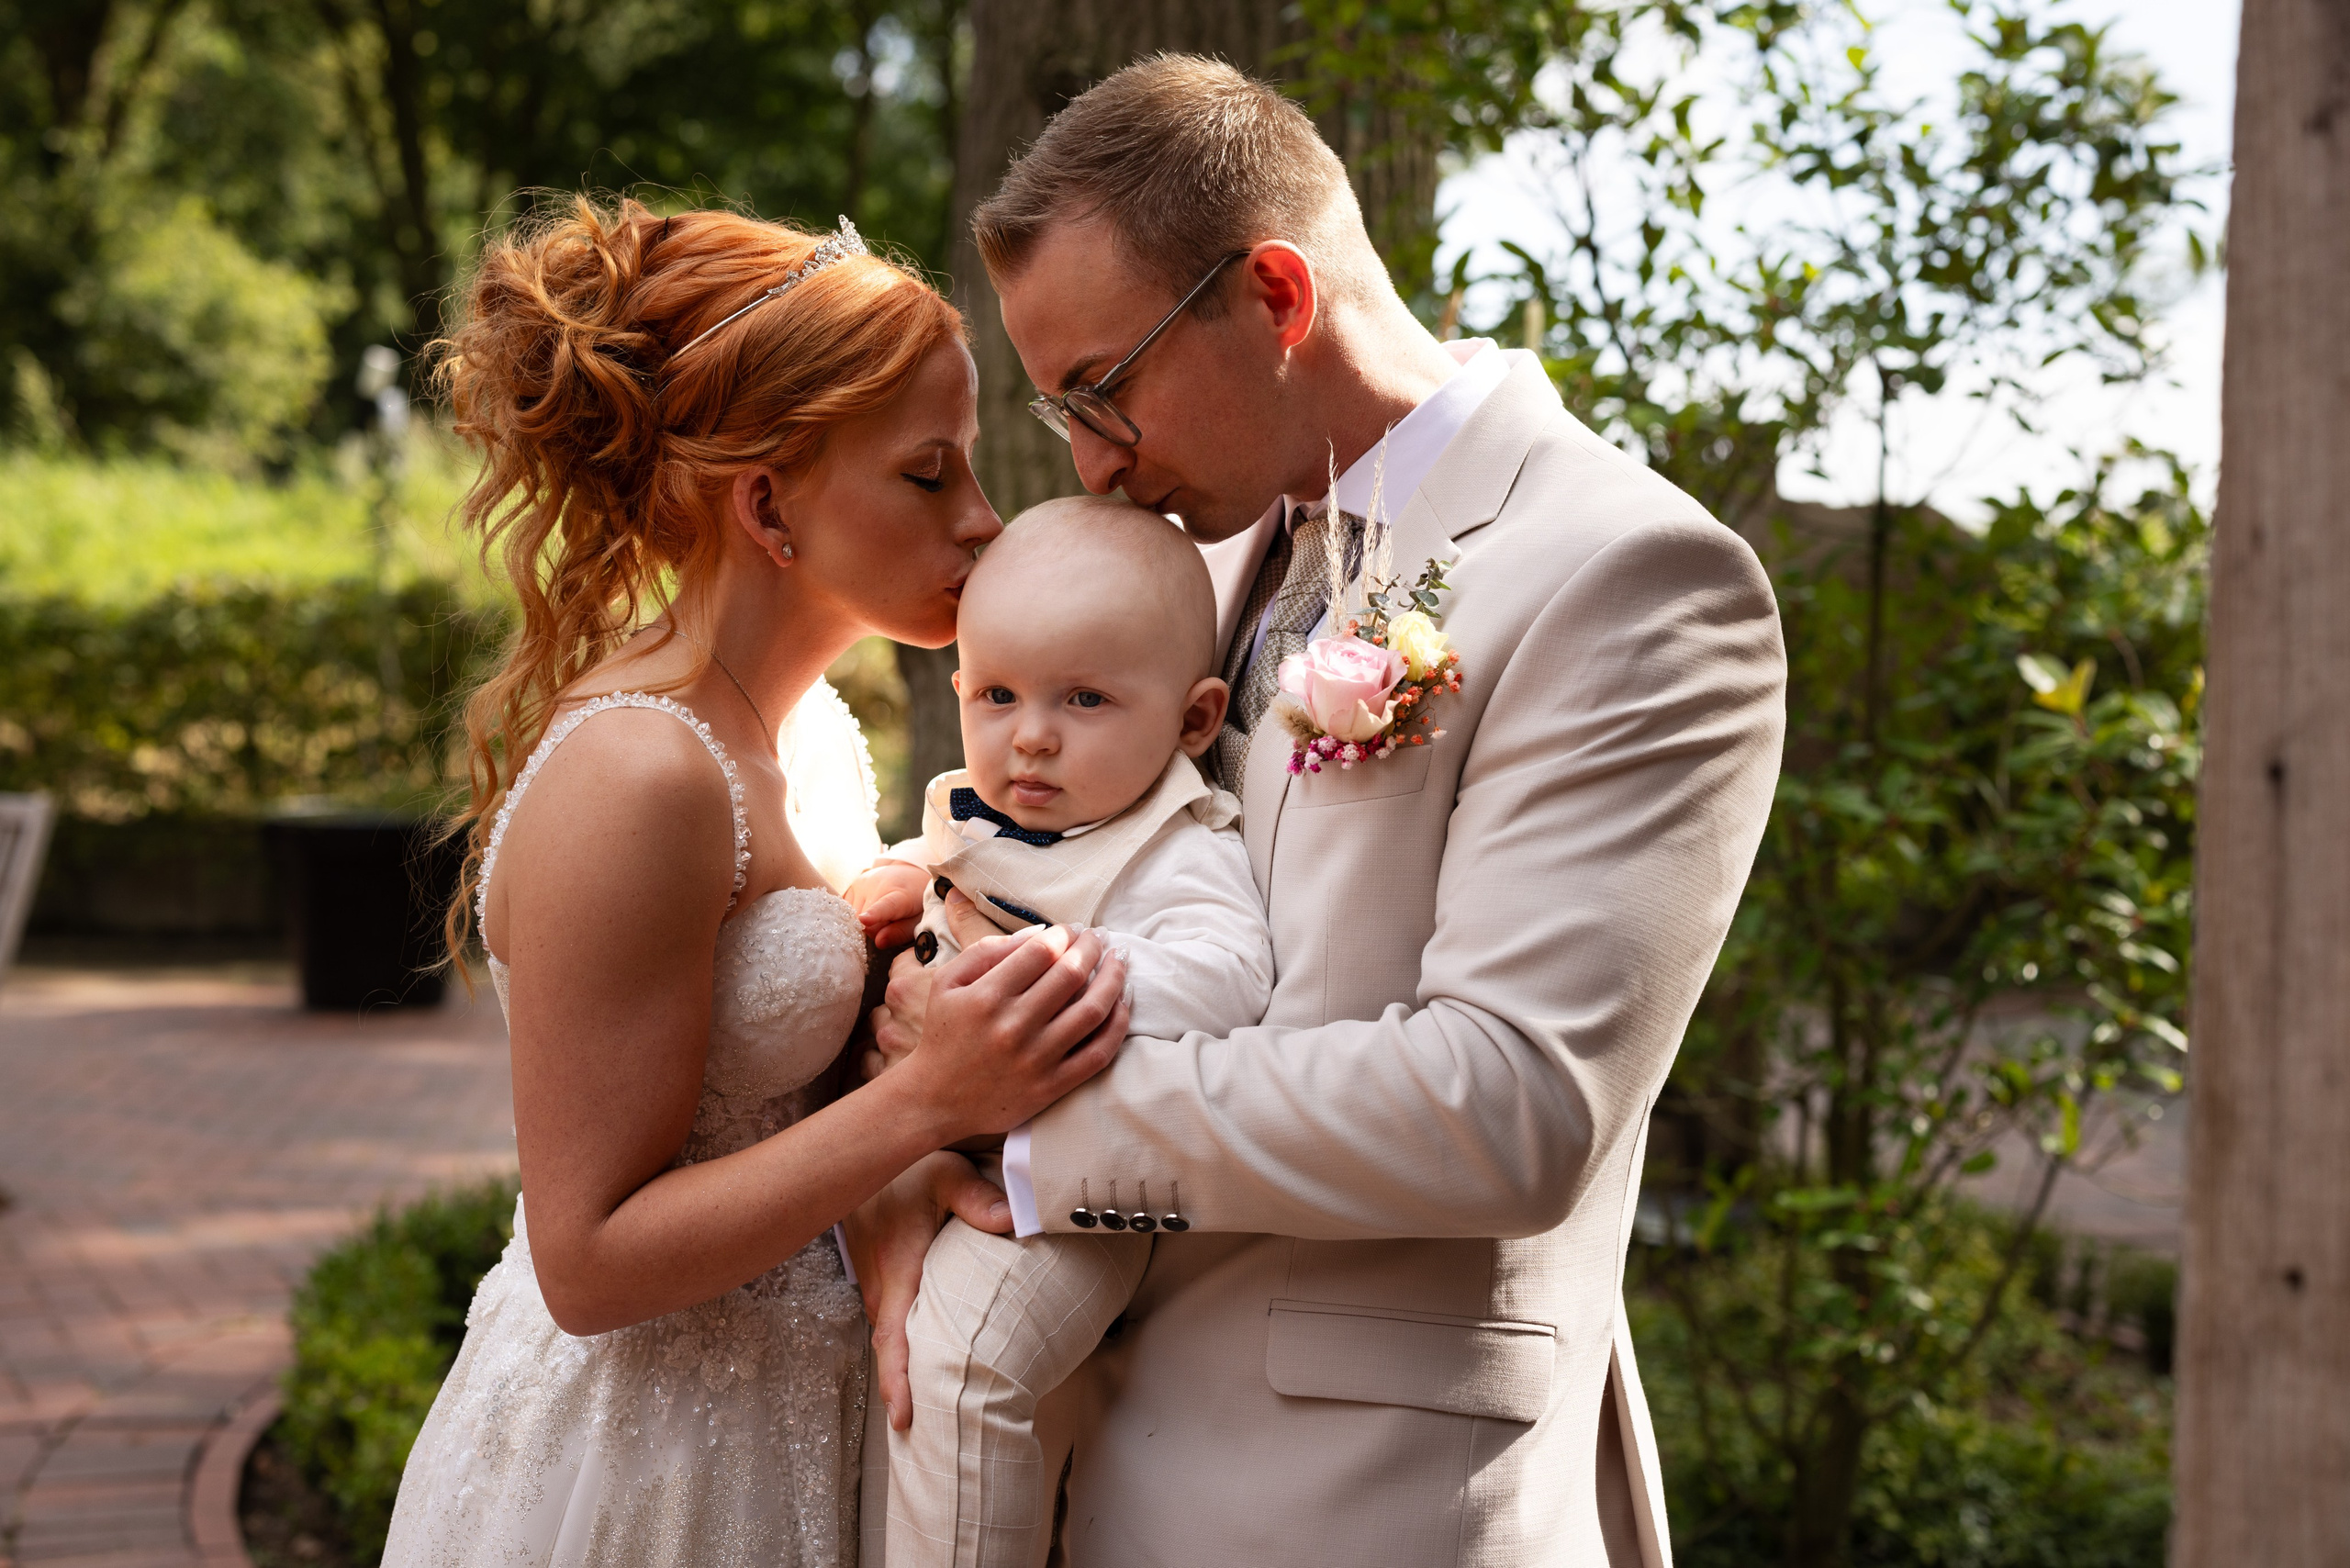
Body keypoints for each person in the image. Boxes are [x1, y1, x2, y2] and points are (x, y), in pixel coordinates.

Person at [861, 56, 1788, 1567]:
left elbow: (1510, 1099)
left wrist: (1009, 1125)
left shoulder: (1620, 574)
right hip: (1075, 1464)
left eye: (1105, 390)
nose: (1091, 463)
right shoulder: (1209, 561)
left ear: (1275, 297)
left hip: (1355, 1497)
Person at [378, 196, 1129, 1568]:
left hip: (804, 1416)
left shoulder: (815, 733)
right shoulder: (643, 778)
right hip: (645, 1466)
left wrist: (891, 1191)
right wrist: (924, 1105)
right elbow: (589, 1261)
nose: (984, 522)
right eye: (929, 474)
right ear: (770, 502)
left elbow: (774, 1102)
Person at [851, 496, 1272, 1565]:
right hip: (931, 1152)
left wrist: (1056, 973)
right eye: (996, 694)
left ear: (1192, 719)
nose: (1030, 734)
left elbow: (1231, 974)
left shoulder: (1172, 847)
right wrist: (905, 875)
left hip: (1062, 1205)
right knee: (890, 1391)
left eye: (1083, 698)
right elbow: (965, 862)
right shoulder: (998, 807)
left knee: (962, 1375)